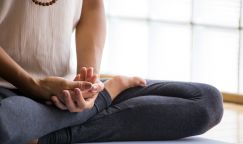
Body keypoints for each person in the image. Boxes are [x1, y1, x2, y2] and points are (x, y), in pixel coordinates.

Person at [0, 0, 223, 144]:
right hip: (7, 89)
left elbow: (92, 7)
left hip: (66, 89)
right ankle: (106, 96)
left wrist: (88, 84)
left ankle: (42, 131)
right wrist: (35, 86)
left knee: (207, 102)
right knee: (3, 122)